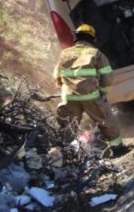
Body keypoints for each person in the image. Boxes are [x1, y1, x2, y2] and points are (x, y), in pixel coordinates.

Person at [54, 23, 127, 157]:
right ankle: (118, 150)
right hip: (90, 95)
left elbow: (57, 76)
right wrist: (102, 91)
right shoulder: (96, 53)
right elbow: (107, 75)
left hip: (69, 97)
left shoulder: (65, 53)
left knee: (68, 126)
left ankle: (63, 154)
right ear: (92, 39)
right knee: (105, 121)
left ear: (76, 38)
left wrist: (66, 89)